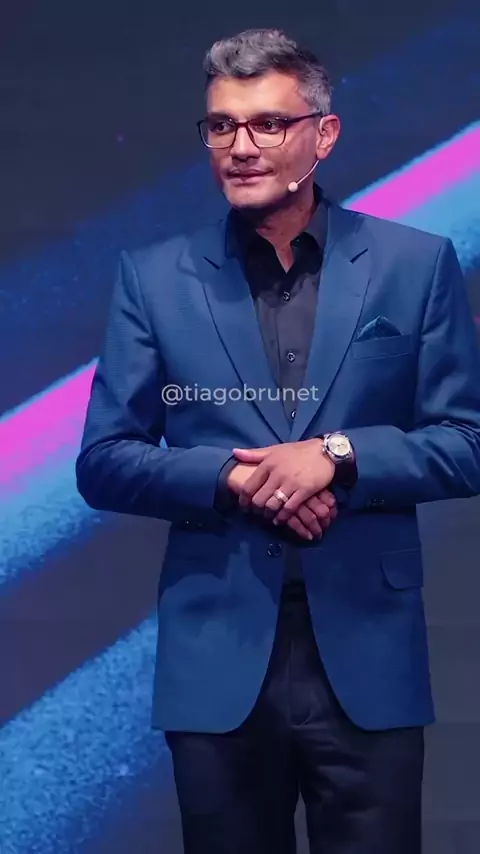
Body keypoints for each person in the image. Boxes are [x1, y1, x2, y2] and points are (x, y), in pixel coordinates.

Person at [75, 27, 480, 854]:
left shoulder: (413, 265)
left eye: (267, 124)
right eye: (222, 126)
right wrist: (237, 478)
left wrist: (334, 458)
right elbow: (104, 460)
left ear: (323, 135)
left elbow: (466, 439)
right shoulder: (154, 279)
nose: (240, 147)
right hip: (217, 655)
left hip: (368, 652)